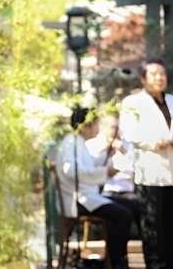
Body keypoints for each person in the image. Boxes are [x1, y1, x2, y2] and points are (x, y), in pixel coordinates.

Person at [120, 59, 173, 269]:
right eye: (154, 74)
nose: (160, 78)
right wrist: (152, 142)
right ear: (143, 78)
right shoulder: (132, 103)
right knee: (152, 225)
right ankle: (156, 265)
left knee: (172, 225)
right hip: (149, 172)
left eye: (162, 74)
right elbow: (128, 132)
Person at [57, 107, 134, 269]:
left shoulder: (78, 143)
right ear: (85, 126)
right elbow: (72, 171)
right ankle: (115, 261)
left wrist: (107, 155)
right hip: (78, 199)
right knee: (122, 215)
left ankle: (115, 257)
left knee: (133, 206)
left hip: (87, 196)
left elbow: (90, 165)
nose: (98, 129)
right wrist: (104, 172)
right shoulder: (72, 143)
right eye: (96, 125)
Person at [85, 112, 141, 232]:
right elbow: (91, 170)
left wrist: (123, 153)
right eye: (112, 127)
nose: (116, 131)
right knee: (120, 212)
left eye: (118, 127)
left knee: (140, 207)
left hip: (127, 192)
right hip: (104, 193)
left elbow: (133, 171)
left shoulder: (127, 145)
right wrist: (105, 151)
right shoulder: (92, 145)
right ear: (102, 127)